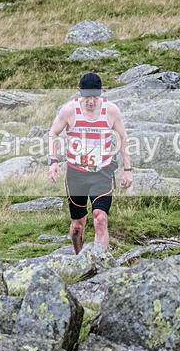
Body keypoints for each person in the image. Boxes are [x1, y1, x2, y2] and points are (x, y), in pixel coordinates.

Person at [48, 73, 133, 253]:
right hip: (76, 174)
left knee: (100, 218)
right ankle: (79, 258)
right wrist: (53, 161)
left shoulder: (111, 111)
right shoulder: (69, 111)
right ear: (79, 92)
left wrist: (128, 169)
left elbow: (124, 138)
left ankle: (99, 262)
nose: (91, 101)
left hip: (101, 173)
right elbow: (53, 133)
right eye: (87, 97)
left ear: (101, 92)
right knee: (78, 226)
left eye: (95, 96)